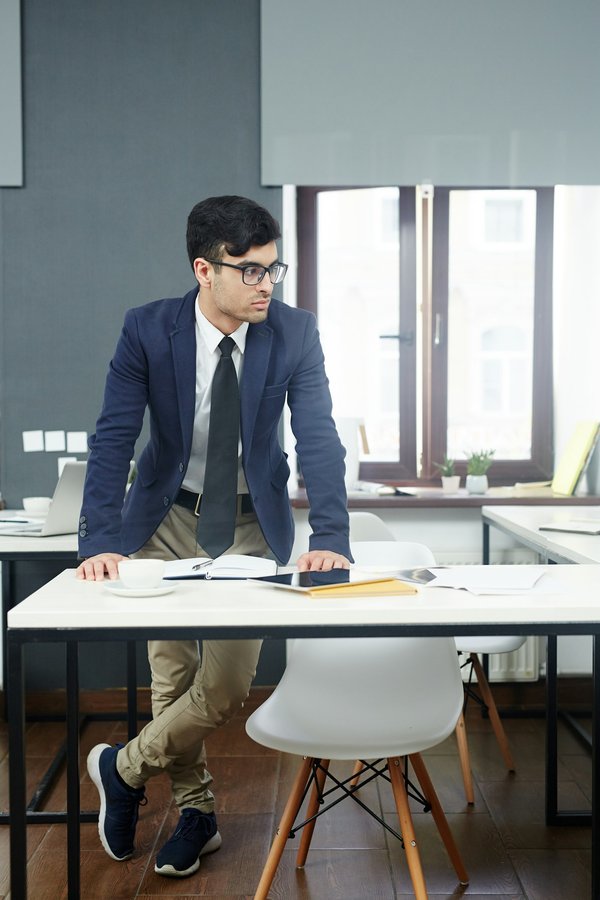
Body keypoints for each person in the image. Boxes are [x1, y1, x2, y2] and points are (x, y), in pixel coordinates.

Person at [77, 195, 351, 879]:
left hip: (253, 523)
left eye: (273, 269)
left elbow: (318, 437)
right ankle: (198, 815)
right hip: (166, 519)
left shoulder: (294, 332)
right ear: (206, 269)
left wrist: (332, 534)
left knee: (225, 686)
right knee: (171, 677)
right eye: (250, 271)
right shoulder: (148, 330)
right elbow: (115, 437)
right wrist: (100, 540)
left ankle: (123, 767)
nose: (266, 285)